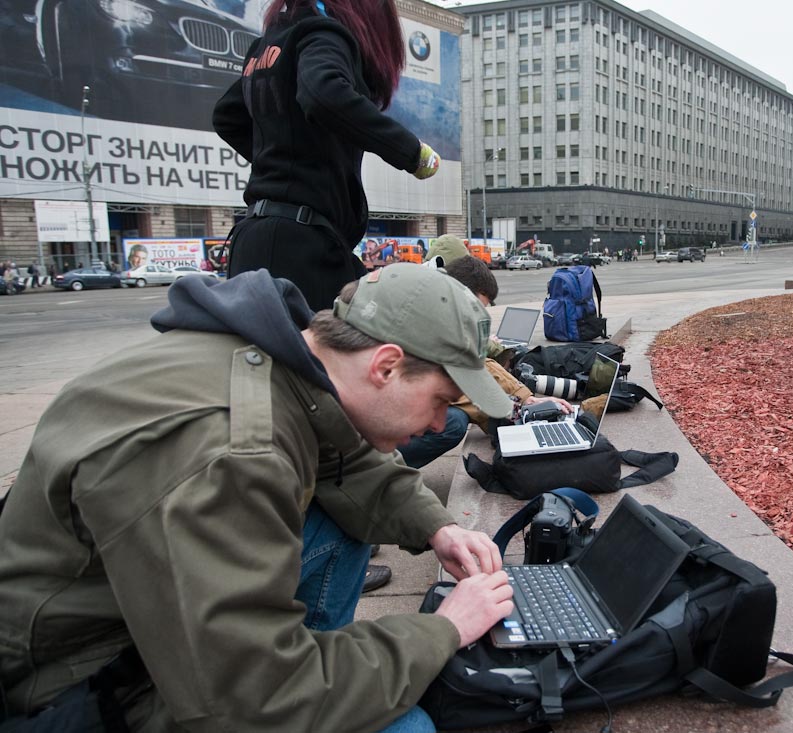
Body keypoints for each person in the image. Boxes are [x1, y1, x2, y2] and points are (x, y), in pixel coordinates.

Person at [0, 264, 516, 731]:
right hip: (76, 687)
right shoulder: (230, 450)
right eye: (441, 400)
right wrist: (443, 629)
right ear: (385, 365)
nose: (437, 423)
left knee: (347, 516)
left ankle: (316, 663)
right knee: (411, 731)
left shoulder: (279, 359)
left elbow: (348, 459)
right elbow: (253, 700)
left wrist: (437, 526)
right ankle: (319, 673)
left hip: (120, 620)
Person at [213, 0, 441, 312]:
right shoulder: (323, 33)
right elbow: (324, 94)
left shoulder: (268, 45)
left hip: (252, 236)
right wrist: (412, 152)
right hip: (302, 244)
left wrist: (286, 159)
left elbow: (228, 116)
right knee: (330, 354)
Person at [398, 252, 572, 469]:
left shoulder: (442, 309)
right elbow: (446, 385)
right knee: (451, 423)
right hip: (362, 431)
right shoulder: (418, 317)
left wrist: (525, 397)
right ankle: (376, 472)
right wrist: (516, 408)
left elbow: (476, 363)